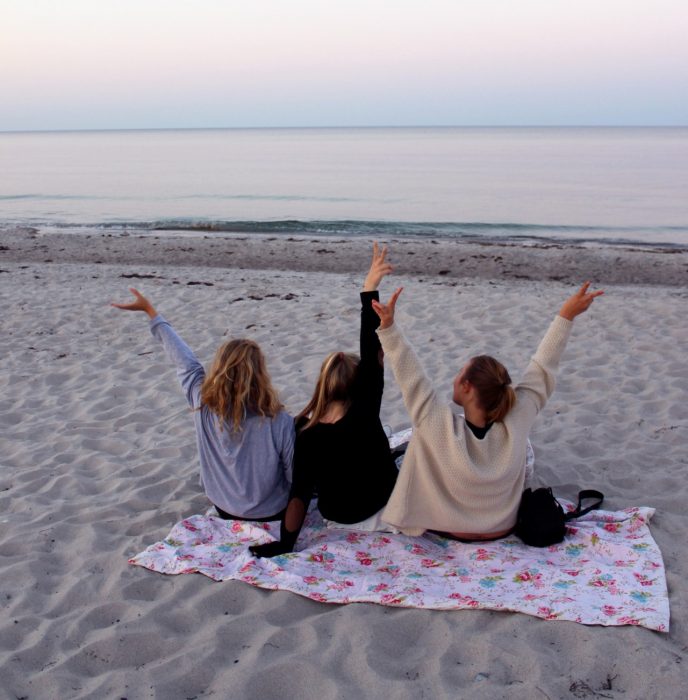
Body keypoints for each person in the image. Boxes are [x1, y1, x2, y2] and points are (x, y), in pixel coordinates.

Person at [371, 281, 604, 541]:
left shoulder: (438, 425)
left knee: (412, 447)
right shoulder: (516, 421)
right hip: (500, 528)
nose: (454, 379)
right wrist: (566, 316)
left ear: (468, 387)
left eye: (459, 374)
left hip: (453, 528)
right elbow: (542, 367)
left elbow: (410, 374)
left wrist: (389, 328)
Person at [251, 243, 399, 557]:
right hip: (380, 507)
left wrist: (284, 544)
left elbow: (299, 495)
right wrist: (369, 290)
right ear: (358, 385)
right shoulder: (364, 409)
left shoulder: (306, 430)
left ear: (322, 386)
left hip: (337, 517)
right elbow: (372, 352)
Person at [111, 289, 294, 521]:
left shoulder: (202, 402)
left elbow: (184, 360)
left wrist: (151, 312)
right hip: (270, 513)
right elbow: (294, 476)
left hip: (224, 508)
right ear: (260, 374)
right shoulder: (279, 421)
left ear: (218, 369)